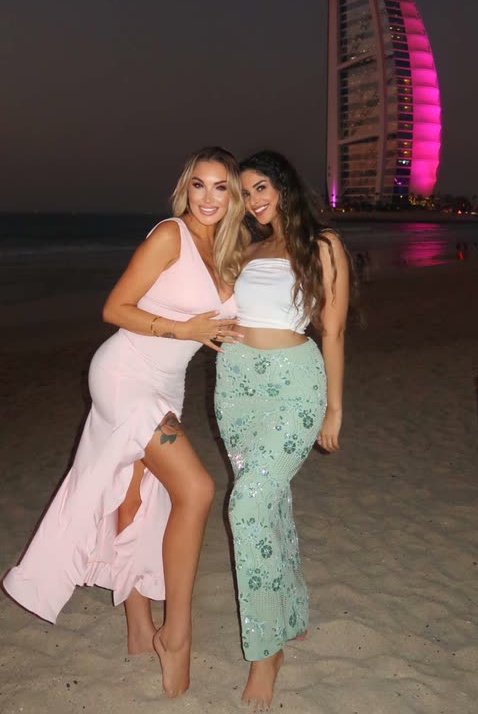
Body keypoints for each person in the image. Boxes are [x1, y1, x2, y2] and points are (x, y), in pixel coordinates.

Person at [3, 146, 247, 699]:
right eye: (199, 185)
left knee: (136, 497)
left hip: (167, 385)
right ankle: (176, 635)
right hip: (125, 375)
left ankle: (138, 624)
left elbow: (229, 325)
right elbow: (115, 308)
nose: (208, 198)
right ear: (186, 188)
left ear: (233, 196)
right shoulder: (170, 236)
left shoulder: (227, 251)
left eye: (220, 187)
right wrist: (182, 330)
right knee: (197, 489)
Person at [214, 150, 350, 710]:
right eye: (245, 192)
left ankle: (266, 651)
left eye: (261, 187)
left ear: (284, 186)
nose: (253, 201)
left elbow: (333, 331)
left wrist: (334, 408)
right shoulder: (245, 249)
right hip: (235, 385)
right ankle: (290, 611)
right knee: (269, 503)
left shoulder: (323, 245)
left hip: (295, 385)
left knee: (246, 504)